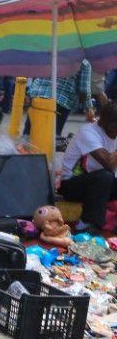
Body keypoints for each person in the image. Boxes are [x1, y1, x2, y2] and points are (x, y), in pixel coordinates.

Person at [56, 102, 117, 234]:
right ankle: (87, 225)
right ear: (107, 123)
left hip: (102, 185)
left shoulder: (112, 132)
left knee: (107, 178)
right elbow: (108, 163)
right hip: (71, 185)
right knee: (105, 176)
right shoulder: (88, 132)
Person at [27, 60, 91, 137]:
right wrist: (88, 109)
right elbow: (83, 90)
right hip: (61, 99)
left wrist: (29, 93)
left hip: (37, 95)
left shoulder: (51, 52)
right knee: (52, 137)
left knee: (28, 134)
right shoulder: (83, 62)